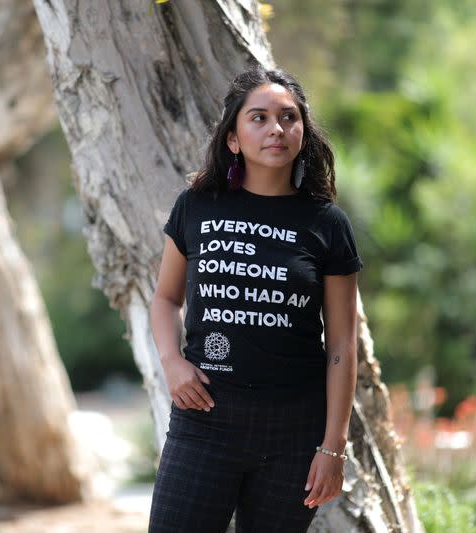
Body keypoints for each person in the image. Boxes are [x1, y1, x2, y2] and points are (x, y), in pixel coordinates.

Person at [148, 64, 363, 532]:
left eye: (288, 117)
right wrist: (171, 360)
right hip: (205, 418)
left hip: (293, 432)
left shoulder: (327, 224)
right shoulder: (197, 206)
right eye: (259, 118)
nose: (276, 129)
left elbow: (343, 345)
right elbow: (165, 299)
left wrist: (333, 447)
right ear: (233, 137)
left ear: (303, 133)